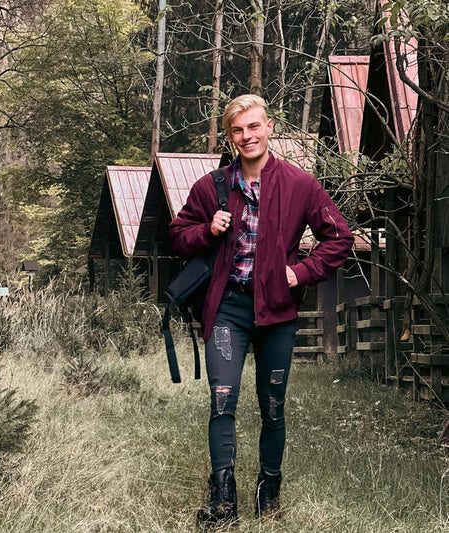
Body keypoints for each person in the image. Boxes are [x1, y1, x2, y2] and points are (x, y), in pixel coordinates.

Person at [168, 94, 354, 528]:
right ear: (230, 136)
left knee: (272, 406)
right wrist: (206, 230)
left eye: (254, 127)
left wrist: (300, 272)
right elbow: (177, 236)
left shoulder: (299, 184)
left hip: (277, 313)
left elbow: (339, 238)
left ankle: (268, 491)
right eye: (237, 130)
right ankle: (224, 499)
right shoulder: (211, 186)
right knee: (222, 401)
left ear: (269, 128)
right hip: (228, 309)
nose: (247, 136)